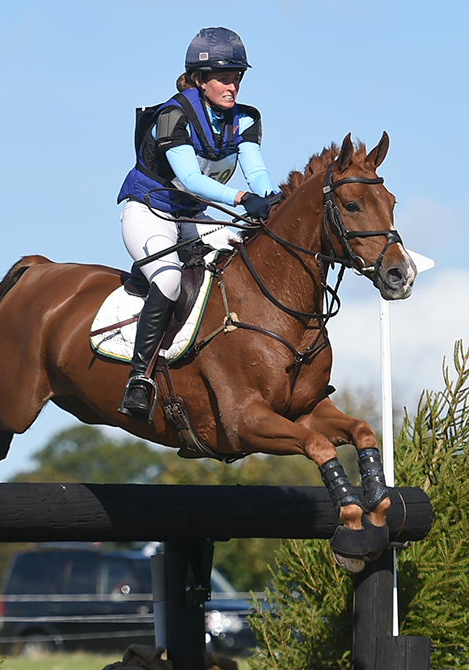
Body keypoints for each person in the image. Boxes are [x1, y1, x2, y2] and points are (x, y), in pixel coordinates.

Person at [115, 26, 278, 422]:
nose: (233, 85)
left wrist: (273, 200)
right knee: (169, 280)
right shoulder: (173, 115)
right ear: (201, 80)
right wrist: (242, 199)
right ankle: (139, 379)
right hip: (149, 211)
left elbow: (256, 172)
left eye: (237, 76)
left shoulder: (244, 120)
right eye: (224, 77)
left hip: (192, 216)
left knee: (243, 257)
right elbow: (191, 179)